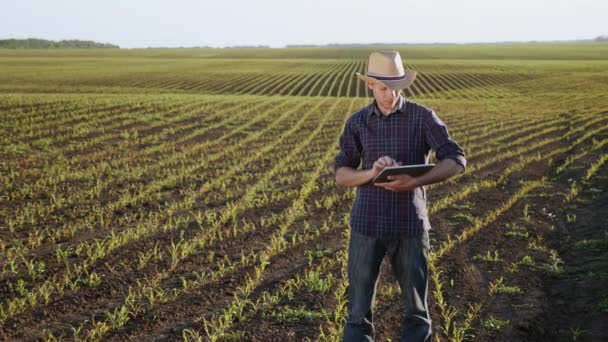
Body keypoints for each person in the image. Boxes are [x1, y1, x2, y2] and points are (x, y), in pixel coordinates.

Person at [334, 51, 466, 342]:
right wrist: (371, 173)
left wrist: (417, 181)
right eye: (383, 87)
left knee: (417, 313)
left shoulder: (422, 117)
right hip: (367, 226)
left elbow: (456, 159)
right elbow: (341, 175)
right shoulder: (357, 123)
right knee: (357, 312)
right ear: (370, 85)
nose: (390, 94)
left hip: (410, 226)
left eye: (395, 87)